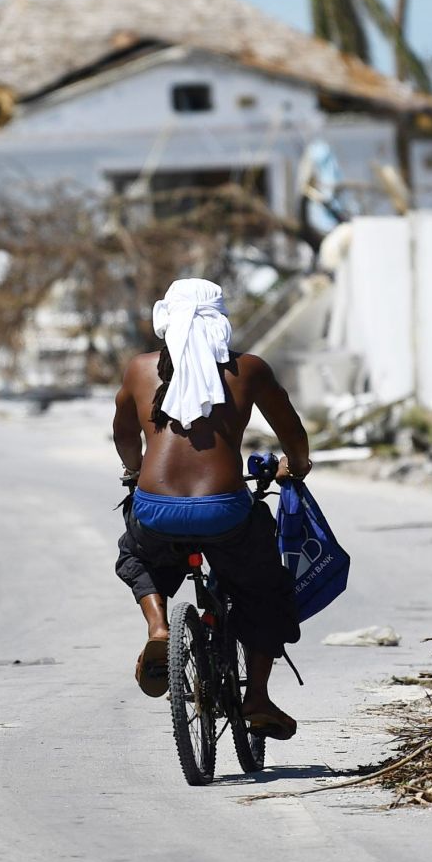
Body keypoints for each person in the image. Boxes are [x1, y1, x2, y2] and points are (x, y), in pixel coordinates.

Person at [110, 277, 311, 739]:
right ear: (220, 320)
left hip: (156, 508)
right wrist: (297, 466)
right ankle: (256, 696)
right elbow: (291, 428)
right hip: (224, 511)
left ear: (167, 319)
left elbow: (122, 431)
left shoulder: (140, 370)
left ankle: (159, 628)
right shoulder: (250, 369)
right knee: (266, 589)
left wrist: (133, 468)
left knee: (138, 555)